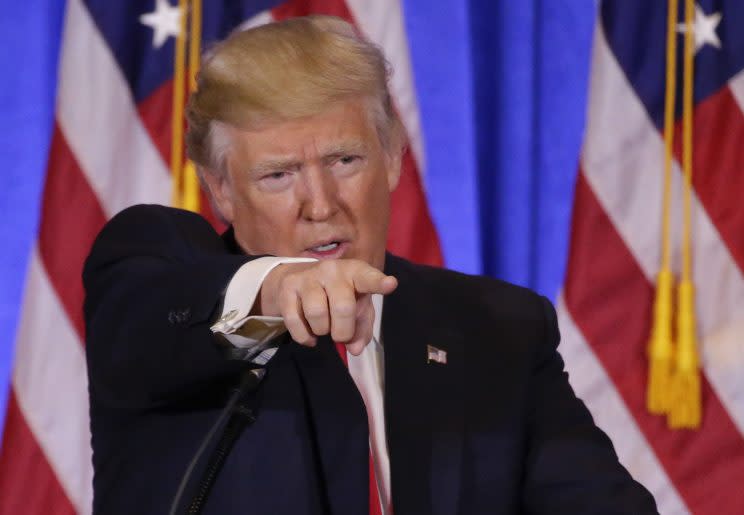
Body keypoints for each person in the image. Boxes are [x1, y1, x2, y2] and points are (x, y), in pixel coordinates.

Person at [83, 15, 658, 515]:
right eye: (278, 175)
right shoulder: (157, 286)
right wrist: (283, 289)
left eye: (345, 159)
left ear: (391, 157)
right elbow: (151, 315)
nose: (321, 203)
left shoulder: (498, 330)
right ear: (222, 191)